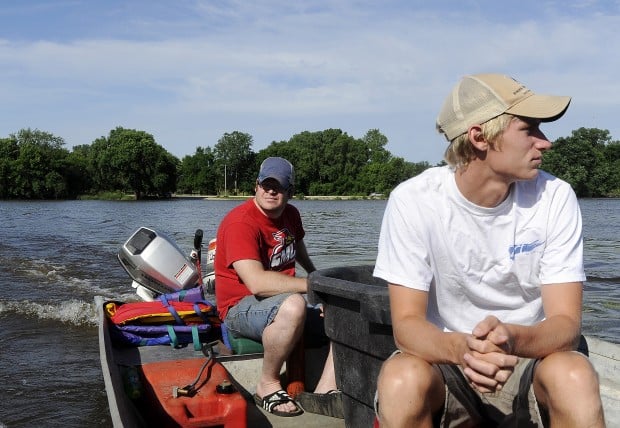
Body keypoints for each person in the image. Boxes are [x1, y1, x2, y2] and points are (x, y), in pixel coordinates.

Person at [373, 74, 606, 427]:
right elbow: (407, 326)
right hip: (447, 362)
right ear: (480, 137)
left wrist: (511, 339)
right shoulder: (413, 200)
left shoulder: (557, 197)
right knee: (401, 379)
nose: (545, 143)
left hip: (531, 359)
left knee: (573, 376)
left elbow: (566, 325)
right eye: (529, 129)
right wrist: (463, 350)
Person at [214, 156, 340, 418]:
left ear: (290, 192)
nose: (271, 191)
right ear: (256, 187)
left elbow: (298, 249)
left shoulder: (291, 214)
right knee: (294, 304)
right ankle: (267, 384)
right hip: (239, 308)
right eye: (266, 184)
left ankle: (327, 391)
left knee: (345, 315)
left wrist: (325, 289)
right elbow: (257, 284)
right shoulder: (241, 222)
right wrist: (314, 285)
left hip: (283, 303)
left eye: (279, 186)